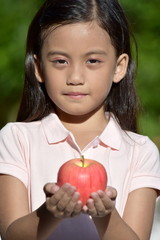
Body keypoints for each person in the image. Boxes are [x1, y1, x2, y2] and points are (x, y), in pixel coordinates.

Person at [0, 0, 160, 239]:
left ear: (119, 67)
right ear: (39, 67)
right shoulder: (16, 138)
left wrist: (105, 215)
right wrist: (50, 213)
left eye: (93, 61)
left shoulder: (141, 151)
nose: (75, 77)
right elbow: (11, 233)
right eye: (60, 61)